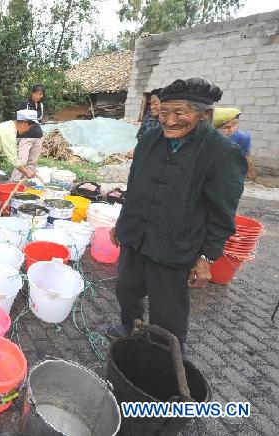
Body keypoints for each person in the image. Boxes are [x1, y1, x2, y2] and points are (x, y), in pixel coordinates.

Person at [107, 78, 247, 352]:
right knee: (126, 288)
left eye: (180, 113)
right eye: (164, 113)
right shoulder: (149, 140)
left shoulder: (222, 152)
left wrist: (206, 258)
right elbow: (135, 186)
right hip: (136, 234)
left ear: (204, 115)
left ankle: (164, 354)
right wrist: (121, 222)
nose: (169, 121)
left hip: (175, 243)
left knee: (167, 308)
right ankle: (130, 326)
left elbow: (222, 213)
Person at [11, 84, 46, 181]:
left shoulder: (41, 105)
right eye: (36, 93)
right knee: (22, 161)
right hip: (26, 136)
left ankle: (26, 182)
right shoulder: (25, 104)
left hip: (38, 136)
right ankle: (14, 182)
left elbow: (40, 119)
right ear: (32, 93)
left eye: (40, 94)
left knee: (32, 162)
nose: (37, 96)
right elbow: (17, 119)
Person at [213, 107, 256, 180]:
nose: (232, 130)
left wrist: (250, 171)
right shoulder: (206, 139)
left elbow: (246, 155)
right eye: (226, 127)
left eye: (235, 125)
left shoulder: (242, 138)